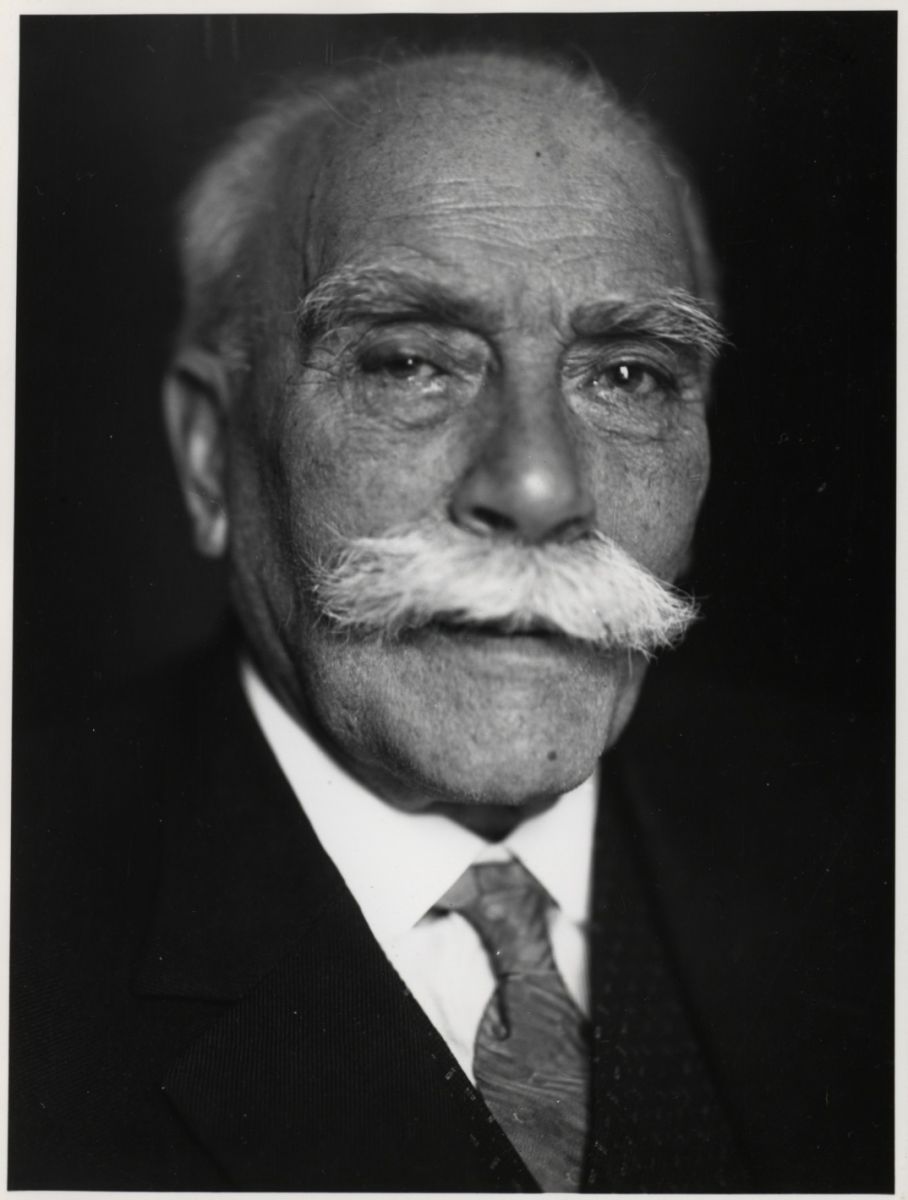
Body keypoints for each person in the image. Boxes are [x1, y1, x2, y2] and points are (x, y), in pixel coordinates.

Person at [9, 47, 891, 1192]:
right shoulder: (27, 920)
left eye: (627, 376)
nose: (535, 488)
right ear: (209, 454)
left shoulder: (867, 850)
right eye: (410, 362)